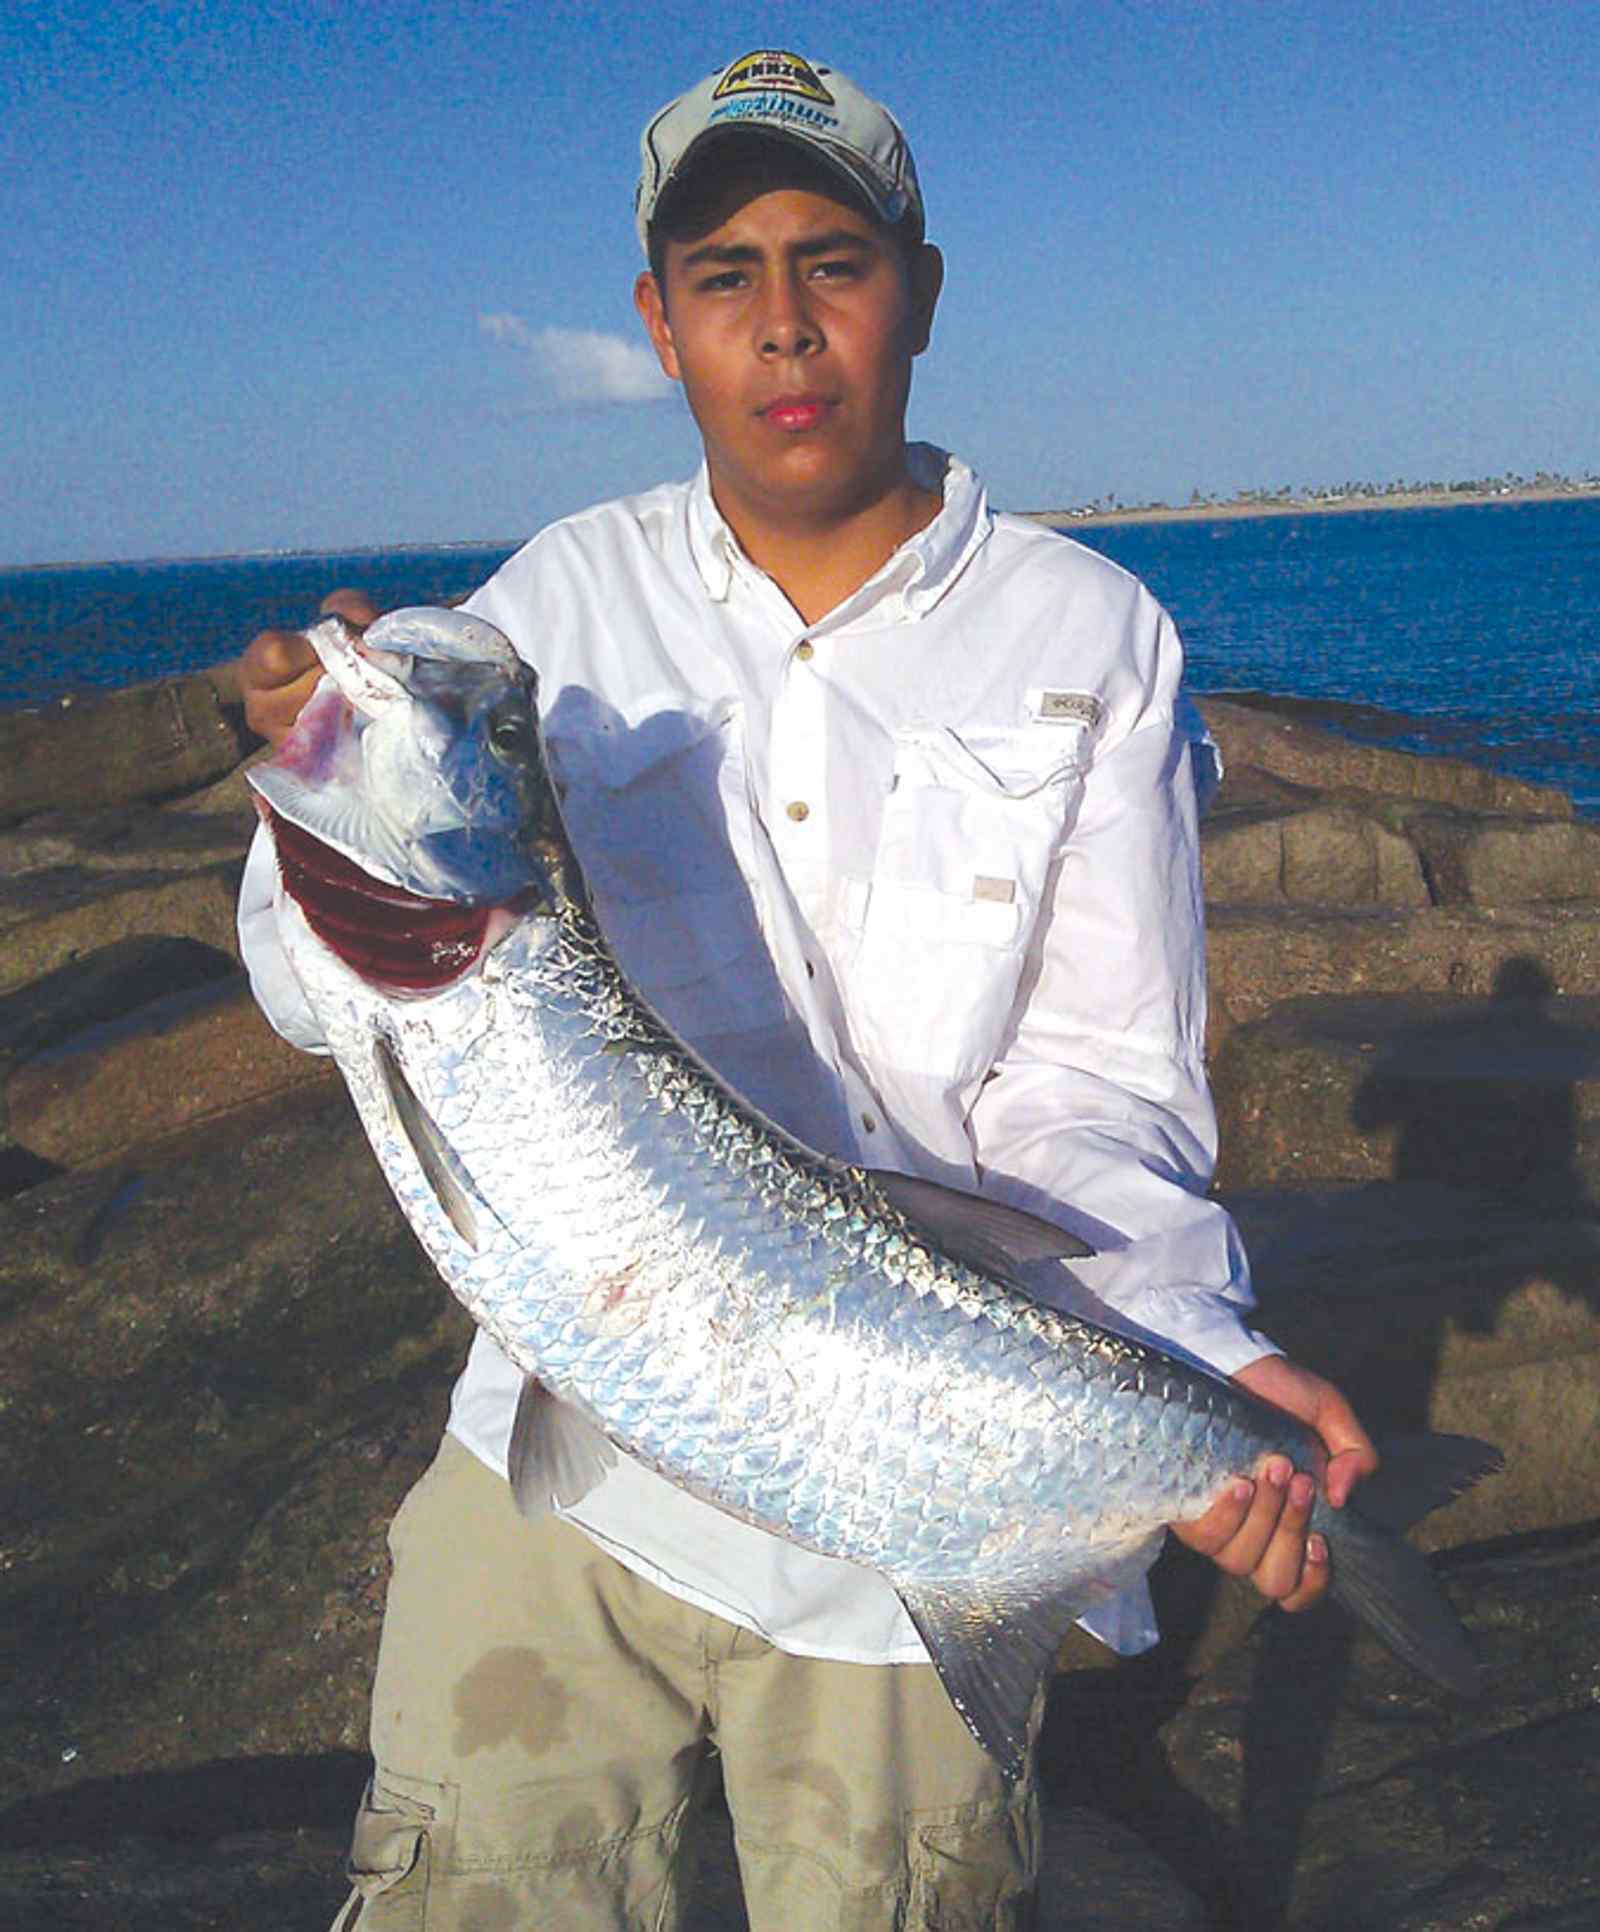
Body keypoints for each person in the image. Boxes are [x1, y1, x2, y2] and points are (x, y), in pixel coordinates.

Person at [238, 48, 1377, 1930]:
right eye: (725, 276)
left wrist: (1200, 1356)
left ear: (918, 292)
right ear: (658, 322)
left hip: (920, 1486)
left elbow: (1100, 1083)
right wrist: (312, 778)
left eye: (834, 265)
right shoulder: (554, 602)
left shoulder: (1088, 631)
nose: (783, 324)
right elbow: (316, 991)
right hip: (559, 1460)